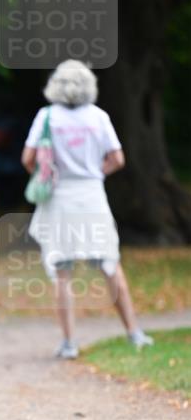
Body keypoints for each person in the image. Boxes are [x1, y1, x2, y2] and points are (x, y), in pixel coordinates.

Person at [21, 59, 154, 359]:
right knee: (110, 264)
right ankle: (134, 331)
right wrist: (96, 173)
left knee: (62, 271)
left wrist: (46, 175)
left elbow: (28, 159)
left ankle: (69, 342)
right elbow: (117, 159)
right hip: (92, 196)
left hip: (59, 198)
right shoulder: (98, 117)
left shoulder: (46, 117)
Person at [0, 92, 29, 213]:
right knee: (14, 199)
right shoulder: (18, 121)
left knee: (2, 198)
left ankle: (3, 214)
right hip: (14, 166)